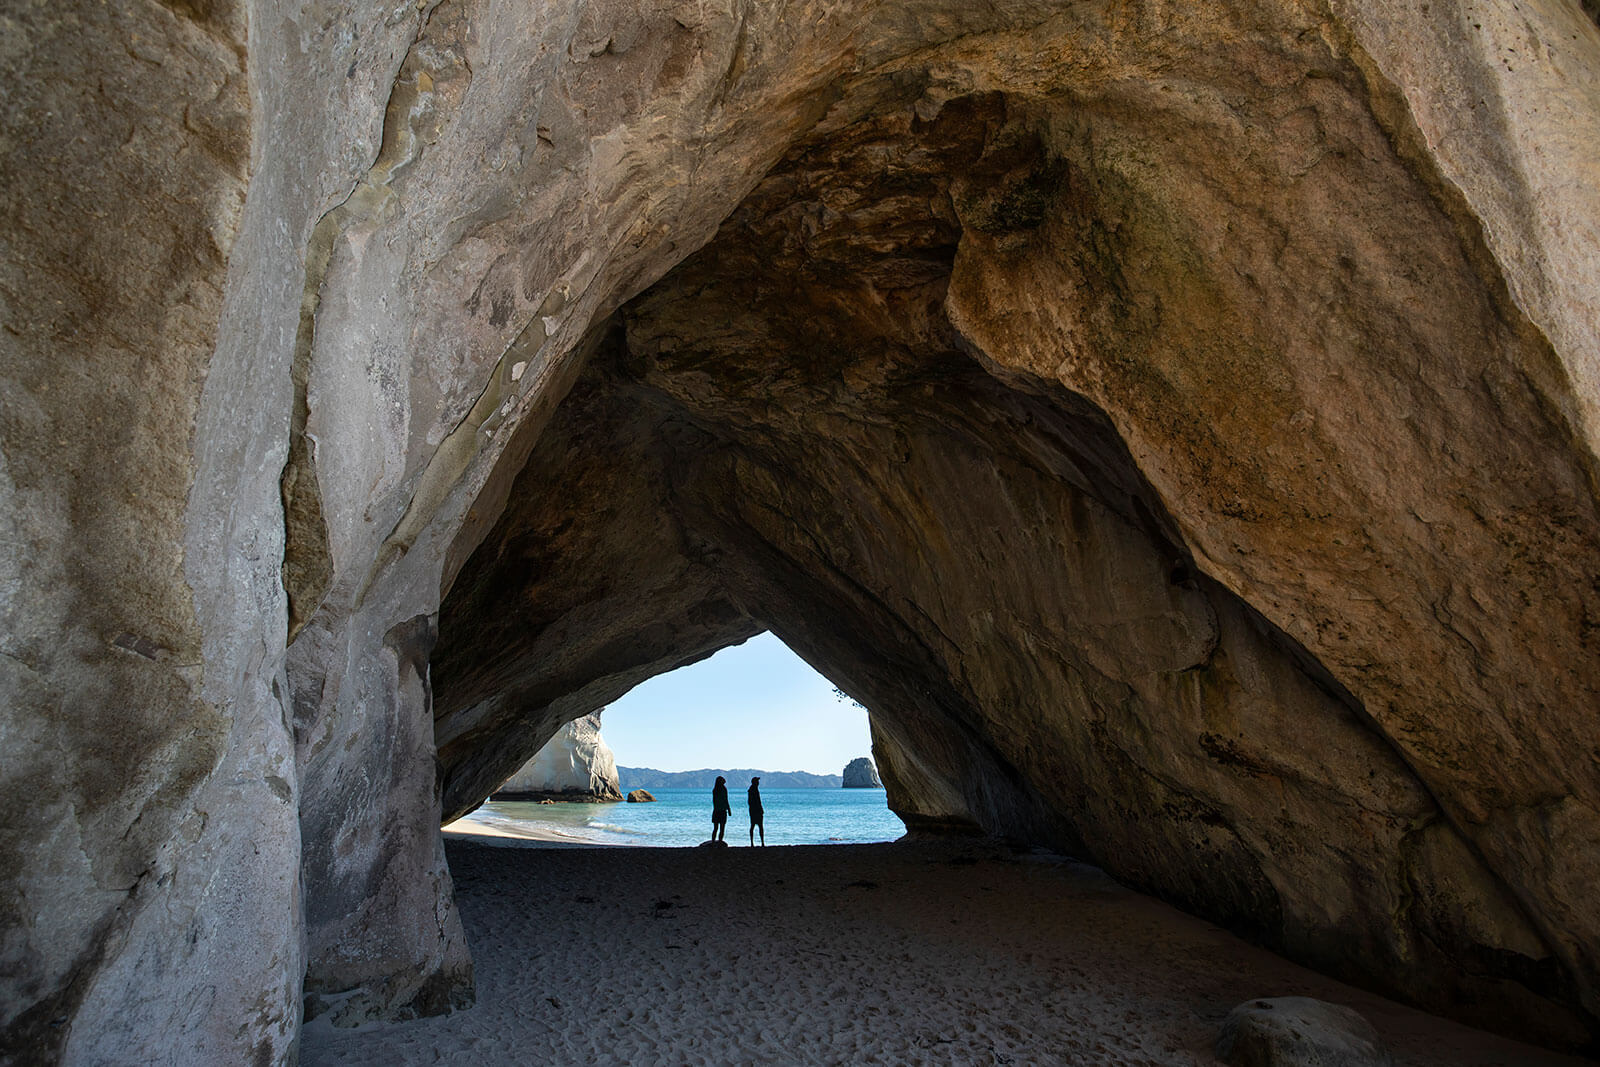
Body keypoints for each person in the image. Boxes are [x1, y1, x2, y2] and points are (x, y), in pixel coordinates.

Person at [710, 775, 730, 842]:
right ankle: (718, 841)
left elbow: (726, 800)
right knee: (719, 828)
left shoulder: (716, 789)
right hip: (720, 810)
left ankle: (717, 841)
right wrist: (728, 809)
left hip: (718, 810)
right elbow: (726, 800)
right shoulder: (720, 789)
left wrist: (728, 809)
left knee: (718, 828)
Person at [748, 776, 764, 846]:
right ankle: (759, 842)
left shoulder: (753, 789)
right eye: (757, 781)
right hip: (755, 811)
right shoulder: (753, 789)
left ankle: (756, 842)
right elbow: (753, 801)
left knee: (754, 826)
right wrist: (758, 809)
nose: (758, 783)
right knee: (758, 826)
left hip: (754, 810)